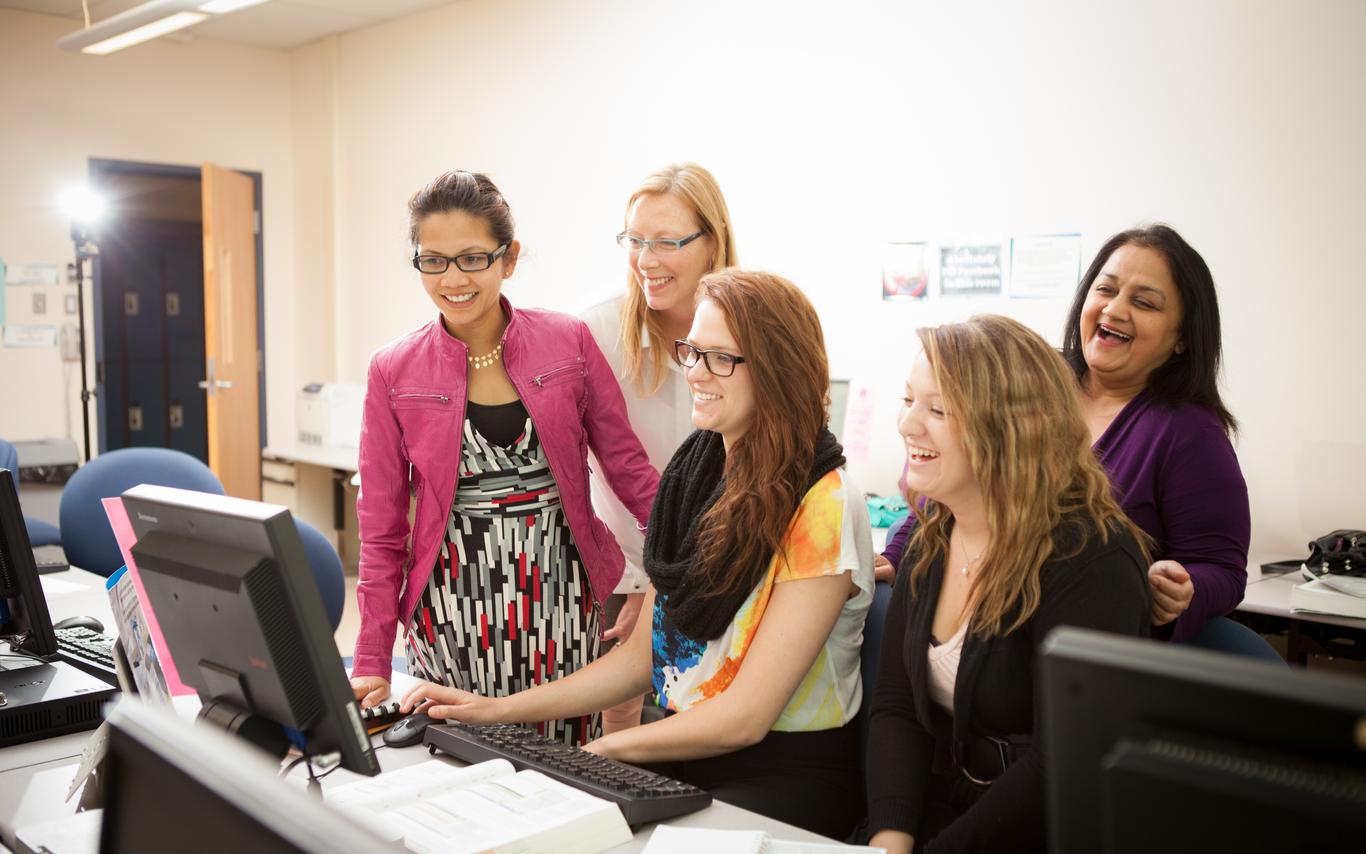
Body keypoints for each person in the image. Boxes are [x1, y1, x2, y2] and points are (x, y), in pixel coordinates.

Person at [403, 270, 875, 839]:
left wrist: (596, 751)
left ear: (779, 370)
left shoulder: (822, 501)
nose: (695, 372)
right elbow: (641, 660)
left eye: (720, 358)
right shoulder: (695, 474)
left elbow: (745, 718)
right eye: (692, 351)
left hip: (786, 769)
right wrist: (490, 709)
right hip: (686, 746)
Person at [349, 171, 659, 745]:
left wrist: (697, 553)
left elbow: (629, 470)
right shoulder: (393, 369)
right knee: (458, 759)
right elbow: (382, 527)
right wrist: (370, 655)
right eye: (433, 261)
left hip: (560, 593)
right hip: (451, 603)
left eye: (472, 258)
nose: (452, 279)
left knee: (566, 756)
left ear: (508, 258)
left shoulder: (568, 341)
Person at [866, 315, 1150, 854]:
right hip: (947, 808)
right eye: (908, 400)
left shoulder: (1092, 558)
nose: (907, 424)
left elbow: (1062, 760)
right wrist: (890, 841)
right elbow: (897, 707)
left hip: (1052, 828)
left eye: (938, 409)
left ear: (1010, 425)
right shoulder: (932, 540)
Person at [580, 163, 738, 732]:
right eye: (635, 240)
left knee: (704, 710)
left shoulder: (751, 332)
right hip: (618, 566)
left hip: (718, 563)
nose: (646, 259)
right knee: (613, 717)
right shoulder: (596, 332)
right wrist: (643, 584)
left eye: (666, 242)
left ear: (712, 242)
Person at [1060, 224, 1250, 642]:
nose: (1114, 310)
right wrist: (899, 549)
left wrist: (1181, 588)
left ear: (1181, 338)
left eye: (1144, 302)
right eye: (1105, 290)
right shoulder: (1032, 383)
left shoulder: (1189, 431)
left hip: (1094, 657)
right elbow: (953, 490)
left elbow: (1222, 570)